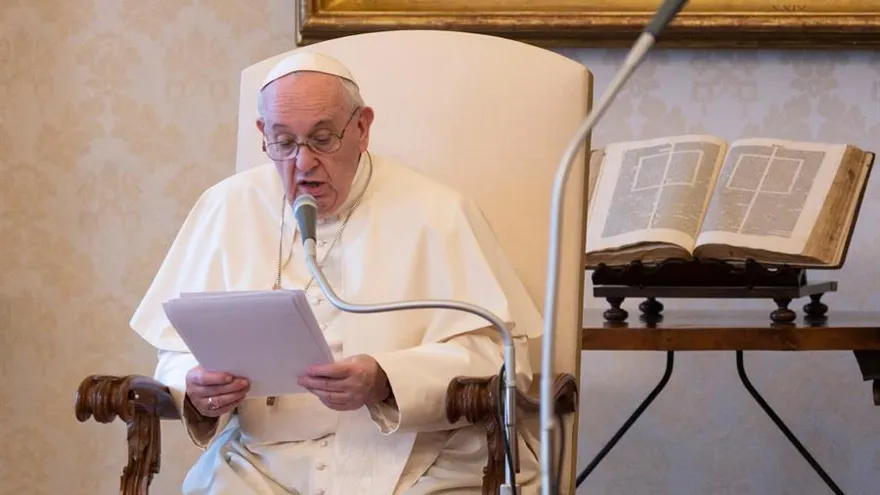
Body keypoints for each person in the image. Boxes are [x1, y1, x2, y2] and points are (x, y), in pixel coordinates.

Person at [130, 50, 544, 495]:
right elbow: (176, 349)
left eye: (323, 139)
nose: (303, 164)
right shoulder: (226, 207)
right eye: (283, 143)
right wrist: (196, 388)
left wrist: (385, 378)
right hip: (261, 465)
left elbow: (501, 362)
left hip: (418, 459)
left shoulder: (438, 212)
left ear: (362, 128)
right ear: (262, 134)